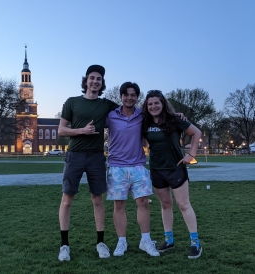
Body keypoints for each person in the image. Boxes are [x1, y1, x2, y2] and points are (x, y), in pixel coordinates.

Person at [57, 65, 119, 261]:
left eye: (99, 79)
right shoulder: (72, 102)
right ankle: (64, 245)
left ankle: (100, 242)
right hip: (74, 155)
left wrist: (172, 114)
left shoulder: (106, 105)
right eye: (92, 78)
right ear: (86, 81)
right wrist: (81, 131)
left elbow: (131, 112)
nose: (95, 81)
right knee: (67, 200)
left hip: (96, 157)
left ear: (102, 83)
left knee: (97, 200)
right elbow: (61, 130)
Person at [141, 90, 203, 259]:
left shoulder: (175, 119)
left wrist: (191, 156)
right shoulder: (145, 122)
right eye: (150, 104)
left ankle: (195, 242)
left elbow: (197, 133)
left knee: (183, 204)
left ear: (163, 104)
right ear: (146, 106)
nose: (153, 106)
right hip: (157, 169)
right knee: (165, 205)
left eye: (156, 103)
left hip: (175, 168)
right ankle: (169, 240)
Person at [106, 82, 159, 257]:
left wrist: (178, 115)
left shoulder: (143, 115)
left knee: (143, 203)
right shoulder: (111, 116)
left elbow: (162, 116)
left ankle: (146, 241)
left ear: (137, 97)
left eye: (133, 95)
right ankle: (122, 242)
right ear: (121, 96)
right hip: (116, 167)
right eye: (126, 94)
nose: (130, 97)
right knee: (119, 205)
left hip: (138, 166)